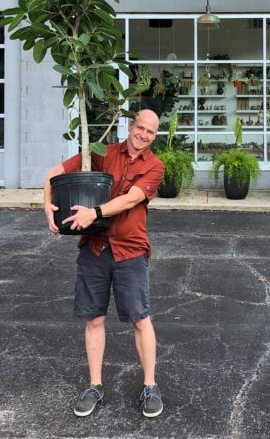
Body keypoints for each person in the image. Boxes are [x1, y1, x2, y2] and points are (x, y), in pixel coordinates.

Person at [43, 109, 165, 418]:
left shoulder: (154, 166)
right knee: (94, 319)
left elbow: (129, 200)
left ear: (154, 136)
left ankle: (150, 385)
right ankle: (95, 385)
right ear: (130, 125)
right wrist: (47, 205)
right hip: (95, 249)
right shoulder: (102, 152)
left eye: (151, 132)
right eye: (141, 128)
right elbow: (54, 173)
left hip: (131, 251)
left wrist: (93, 213)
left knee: (140, 318)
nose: (144, 135)